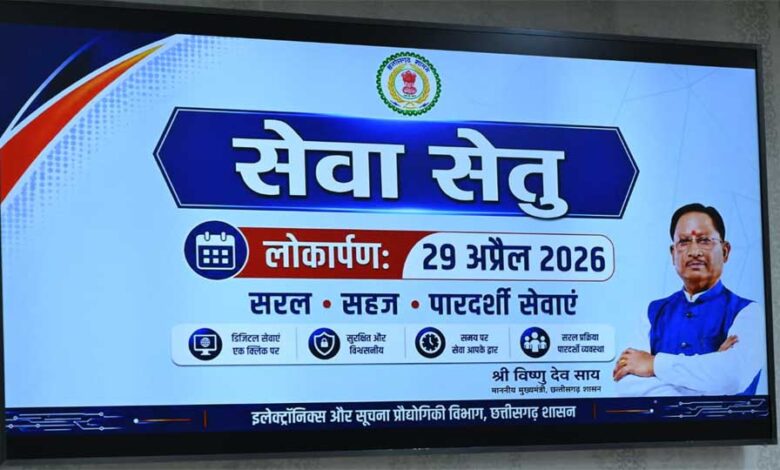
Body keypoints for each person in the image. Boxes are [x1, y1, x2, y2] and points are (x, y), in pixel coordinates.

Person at [613, 203, 765, 396]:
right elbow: (625, 385)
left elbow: (733, 377)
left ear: (725, 251)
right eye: (684, 242)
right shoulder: (653, 312)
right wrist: (710, 374)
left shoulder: (748, 312)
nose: (694, 252)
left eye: (704, 240)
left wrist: (654, 364)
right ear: (673, 253)